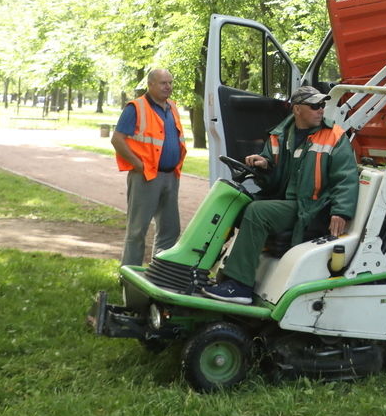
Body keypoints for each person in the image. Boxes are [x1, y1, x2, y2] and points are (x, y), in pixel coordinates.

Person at [202, 85, 359, 304]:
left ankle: (240, 287)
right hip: (286, 201)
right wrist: (264, 165)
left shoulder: (334, 137)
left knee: (258, 212)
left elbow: (346, 178)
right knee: (234, 204)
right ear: (297, 110)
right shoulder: (279, 135)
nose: (321, 110)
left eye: (322, 105)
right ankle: (209, 269)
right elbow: (271, 180)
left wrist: (341, 212)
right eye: (315, 106)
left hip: (311, 207)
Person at [111, 68, 187, 266]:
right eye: (163, 83)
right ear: (150, 84)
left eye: (170, 82)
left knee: (170, 230)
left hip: (171, 176)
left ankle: (160, 274)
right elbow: (117, 140)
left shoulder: (172, 107)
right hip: (145, 176)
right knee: (137, 230)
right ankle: (129, 276)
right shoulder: (136, 108)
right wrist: (138, 165)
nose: (168, 87)